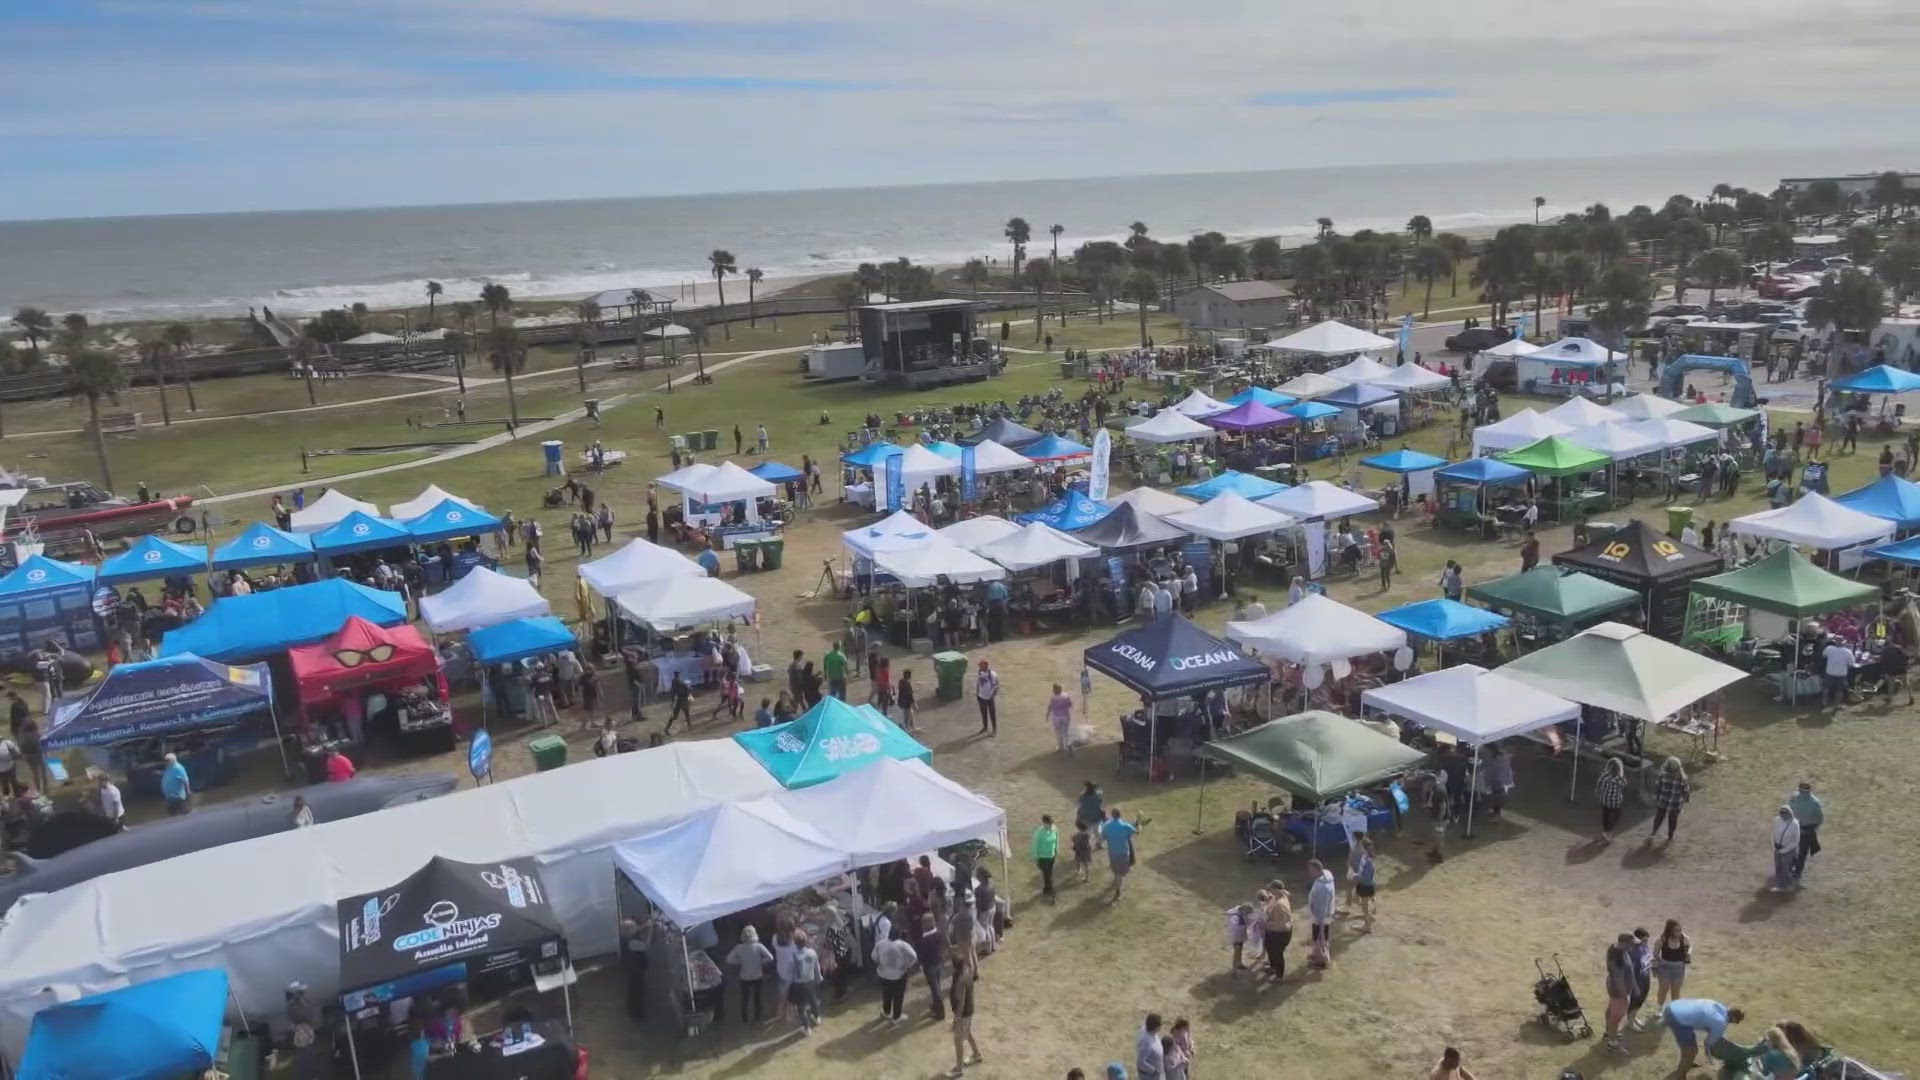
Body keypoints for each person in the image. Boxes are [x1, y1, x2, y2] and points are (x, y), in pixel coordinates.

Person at [1661, 998, 1746, 1073]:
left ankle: (1688, 1062)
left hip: (1674, 1006)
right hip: (1677, 1018)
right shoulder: (1720, 1023)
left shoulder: (1717, 1005)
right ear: (1734, 1019)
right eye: (1737, 1021)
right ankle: (1680, 1075)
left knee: (1690, 1045)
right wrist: (1708, 1054)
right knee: (1691, 1051)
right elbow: (1708, 1042)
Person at [725, 925, 775, 1025]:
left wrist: (738, 962)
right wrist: (761, 961)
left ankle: (745, 1018)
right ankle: (757, 1017)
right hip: (757, 975)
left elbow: (728, 959)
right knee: (757, 997)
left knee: (745, 998)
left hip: (744, 976)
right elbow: (770, 957)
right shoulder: (759, 946)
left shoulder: (739, 948)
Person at [872, 926, 917, 1025]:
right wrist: (906, 965)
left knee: (886, 994)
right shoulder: (903, 945)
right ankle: (896, 1017)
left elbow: (874, 956)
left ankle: (886, 1012)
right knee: (898, 996)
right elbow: (914, 956)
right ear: (899, 934)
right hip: (898, 975)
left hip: (883, 974)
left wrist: (880, 963)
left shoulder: (880, 943)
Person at [948, 952, 982, 1077]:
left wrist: (956, 1019)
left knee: (958, 1040)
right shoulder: (967, 971)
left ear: (954, 967)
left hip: (964, 1013)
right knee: (967, 1033)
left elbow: (960, 1003)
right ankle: (976, 1054)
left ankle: (959, 1067)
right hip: (969, 1009)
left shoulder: (960, 980)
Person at [1603, 931, 1636, 1053]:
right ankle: (1612, 1043)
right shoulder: (1619, 959)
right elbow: (1619, 979)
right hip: (1618, 991)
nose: (1633, 946)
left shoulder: (1614, 948)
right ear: (1623, 943)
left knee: (1611, 1010)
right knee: (1616, 1017)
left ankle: (1608, 1033)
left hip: (1612, 985)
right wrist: (1624, 997)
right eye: (1631, 944)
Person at [788, 928, 823, 1034]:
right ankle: (817, 1018)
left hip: (798, 984)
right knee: (813, 1000)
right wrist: (819, 977)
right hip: (811, 981)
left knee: (801, 1007)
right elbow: (817, 967)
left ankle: (806, 1028)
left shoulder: (793, 955)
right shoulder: (812, 952)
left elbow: (791, 971)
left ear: (794, 942)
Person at [1101, 807, 1138, 900]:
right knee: (1120, 873)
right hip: (1123, 852)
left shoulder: (1106, 826)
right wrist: (1136, 823)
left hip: (1112, 852)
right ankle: (1118, 890)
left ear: (1112, 815)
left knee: (1115, 870)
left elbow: (1103, 837)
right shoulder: (1125, 826)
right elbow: (1134, 831)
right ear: (1120, 815)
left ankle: (1116, 881)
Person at [1788, 781, 1823, 878]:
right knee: (1791, 848)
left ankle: (1797, 872)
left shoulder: (1814, 802)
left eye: (1805, 792)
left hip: (1807, 829)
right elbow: (1788, 808)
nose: (1803, 794)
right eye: (1801, 791)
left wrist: (1812, 829)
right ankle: (1790, 866)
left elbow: (1819, 818)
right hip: (1794, 827)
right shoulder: (1794, 798)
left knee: (1802, 852)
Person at [915, 913, 947, 1020]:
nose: (922, 924)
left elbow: (923, 954)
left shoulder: (925, 938)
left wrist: (920, 963)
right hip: (938, 962)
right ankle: (935, 1006)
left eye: (924, 922)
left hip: (930, 965)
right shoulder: (938, 933)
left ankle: (939, 1012)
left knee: (935, 988)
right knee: (937, 984)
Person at [1654, 919, 1692, 1007]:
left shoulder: (1684, 938)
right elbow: (1655, 953)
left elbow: (1690, 945)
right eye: (1675, 930)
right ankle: (1660, 1008)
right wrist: (1658, 964)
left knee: (1676, 991)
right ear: (1670, 930)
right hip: (1665, 967)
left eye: (1679, 930)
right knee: (1663, 989)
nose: (1678, 932)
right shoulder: (1662, 939)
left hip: (1679, 968)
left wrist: (1689, 953)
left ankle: (1675, 1009)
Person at [1306, 859, 1336, 968]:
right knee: (1317, 937)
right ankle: (1316, 954)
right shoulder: (1326, 876)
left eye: (1311, 870)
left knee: (1320, 938)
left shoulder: (1323, 886)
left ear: (1316, 869)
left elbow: (1322, 905)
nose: (1310, 872)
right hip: (1321, 915)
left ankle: (1321, 961)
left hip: (1321, 917)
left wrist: (1320, 920)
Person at [1262, 884, 1293, 980]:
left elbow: (1278, 923)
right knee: (1270, 949)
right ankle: (1273, 968)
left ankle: (1279, 976)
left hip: (1279, 933)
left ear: (1277, 890)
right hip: (1274, 932)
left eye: (1272, 889)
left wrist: (1264, 924)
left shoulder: (1280, 905)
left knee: (1277, 954)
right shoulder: (1279, 897)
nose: (1270, 891)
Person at [1596, 756, 1628, 841]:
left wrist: (1597, 790)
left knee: (1605, 816)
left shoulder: (1605, 775)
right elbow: (1625, 785)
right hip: (1615, 802)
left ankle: (1606, 831)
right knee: (1616, 816)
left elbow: (1599, 783)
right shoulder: (1619, 778)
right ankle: (1609, 831)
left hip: (1605, 800)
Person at [1770, 804, 1802, 892]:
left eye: (1785, 814)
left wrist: (1783, 850)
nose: (1783, 816)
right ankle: (1780, 886)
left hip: (1788, 850)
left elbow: (1795, 841)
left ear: (1789, 814)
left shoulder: (1795, 824)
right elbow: (1773, 834)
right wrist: (1774, 848)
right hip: (1777, 849)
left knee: (1786, 868)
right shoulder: (1777, 820)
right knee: (1778, 867)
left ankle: (1790, 884)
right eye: (1781, 813)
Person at [1821, 634, 1856, 707]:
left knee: (1826, 688)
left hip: (1830, 672)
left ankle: (1824, 703)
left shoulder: (1829, 648)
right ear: (1844, 642)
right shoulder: (1848, 651)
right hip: (1841, 673)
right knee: (1839, 690)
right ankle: (1836, 705)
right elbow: (1851, 664)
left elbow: (1824, 655)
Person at [1352, 838, 1378, 933]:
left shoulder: (1364, 859)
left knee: (1364, 905)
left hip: (1364, 885)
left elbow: (1362, 875)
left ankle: (1368, 923)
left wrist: (1355, 878)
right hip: (1369, 884)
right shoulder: (1369, 857)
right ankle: (1368, 915)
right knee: (1361, 902)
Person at [1033, 814, 1059, 900]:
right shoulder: (1039, 832)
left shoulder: (1054, 829)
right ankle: (1052, 891)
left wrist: (1056, 850)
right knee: (1047, 874)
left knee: (1048, 873)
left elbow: (1056, 840)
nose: (1050, 826)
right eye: (1049, 824)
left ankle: (1047, 888)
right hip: (1043, 857)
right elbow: (1035, 845)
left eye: (1051, 824)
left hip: (1051, 856)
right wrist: (1036, 857)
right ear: (1044, 823)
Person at [1047, 682, 1074, 753]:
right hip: (1066, 716)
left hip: (1057, 717)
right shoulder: (1066, 695)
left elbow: (1050, 707)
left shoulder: (1053, 698)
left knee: (1058, 731)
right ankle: (1069, 744)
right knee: (1066, 731)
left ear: (1054, 690)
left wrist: (1047, 715)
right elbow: (1070, 705)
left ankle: (1060, 746)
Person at [1136, 1014, 1165, 1080]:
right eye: (1160, 1024)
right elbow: (1140, 1062)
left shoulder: (1150, 1033)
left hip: (1157, 1071)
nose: (1162, 1026)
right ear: (1155, 1027)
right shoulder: (1147, 1042)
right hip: (1149, 1076)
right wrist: (1153, 1071)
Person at [975, 660, 1000, 736]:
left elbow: (996, 686)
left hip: (989, 698)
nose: (979, 667)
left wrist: (992, 696)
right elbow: (978, 682)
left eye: (981, 665)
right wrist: (977, 692)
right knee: (983, 713)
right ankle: (985, 727)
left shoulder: (992, 674)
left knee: (992, 714)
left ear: (986, 666)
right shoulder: (980, 672)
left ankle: (994, 730)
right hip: (981, 697)